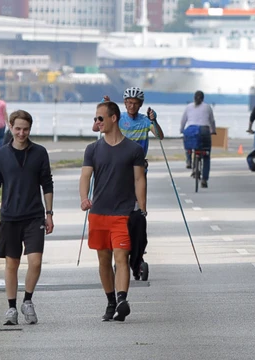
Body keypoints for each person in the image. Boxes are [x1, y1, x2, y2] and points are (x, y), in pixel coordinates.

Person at [0, 110, 55, 326]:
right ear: (10, 127)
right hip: (9, 217)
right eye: (17, 129)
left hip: (34, 216)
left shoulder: (40, 153)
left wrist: (49, 213)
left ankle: (28, 300)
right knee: (11, 264)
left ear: (30, 129)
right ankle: (12, 308)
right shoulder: (0, 155)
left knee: (35, 261)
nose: (21, 133)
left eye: (25, 129)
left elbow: (47, 183)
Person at [80, 101, 146, 322]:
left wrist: (142, 208)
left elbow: (139, 179)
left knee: (121, 257)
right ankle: (110, 301)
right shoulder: (92, 149)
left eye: (100, 118)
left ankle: (121, 299)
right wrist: (84, 198)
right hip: (99, 212)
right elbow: (85, 176)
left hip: (123, 214)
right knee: (103, 260)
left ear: (113, 118)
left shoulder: (133, 150)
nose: (97, 122)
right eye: (95, 119)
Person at [180, 90, 216, 187]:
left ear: (194, 98)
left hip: (191, 130)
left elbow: (183, 120)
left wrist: (182, 130)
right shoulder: (208, 107)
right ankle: (204, 179)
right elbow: (212, 121)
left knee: (187, 142)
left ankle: (188, 160)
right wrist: (213, 130)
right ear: (203, 98)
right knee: (206, 156)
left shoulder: (188, 107)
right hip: (204, 130)